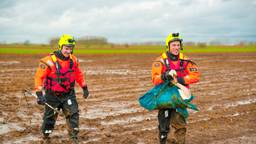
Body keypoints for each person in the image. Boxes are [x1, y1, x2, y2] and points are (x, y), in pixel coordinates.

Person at [34, 34, 89, 143]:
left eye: (71, 48)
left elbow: (78, 74)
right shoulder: (48, 61)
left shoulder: (74, 60)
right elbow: (39, 77)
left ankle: (73, 138)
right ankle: (46, 136)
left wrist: (84, 87)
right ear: (60, 47)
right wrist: (39, 94)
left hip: (68, 94)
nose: (68, 51)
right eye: (66, 48)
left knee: (73, 114)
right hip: (52, 95)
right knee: (49, 118)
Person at [151, 33, 200, 144]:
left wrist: (180, 80)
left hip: (180, 96)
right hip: (164, 96)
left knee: (180, 125)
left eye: (178, 45)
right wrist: (165, 76)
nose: (176, 47)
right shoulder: (160, 61)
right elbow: (155, 79)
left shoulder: (187, 61)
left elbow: (196, 76)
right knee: (164, 126)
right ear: (168, 46)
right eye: (173, 45)